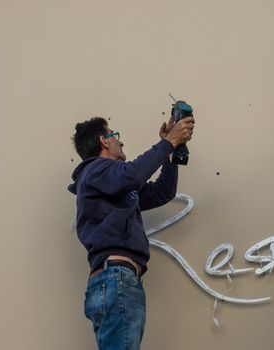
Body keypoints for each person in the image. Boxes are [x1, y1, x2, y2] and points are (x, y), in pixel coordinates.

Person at [68, 114, 194, 350]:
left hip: (115, 281)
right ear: (104, 141)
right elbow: (133, 174)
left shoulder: (111, 184)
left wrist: (172, 150)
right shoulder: (95, 171)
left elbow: (162, 192)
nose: (121, 142)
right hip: (116, 279)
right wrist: (167, 141)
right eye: (115, 136)